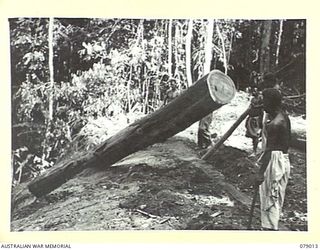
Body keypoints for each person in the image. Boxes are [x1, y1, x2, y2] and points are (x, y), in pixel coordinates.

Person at [255, 88, 291, 230]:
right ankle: (271, 226)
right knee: (276, 196)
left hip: (274, 161)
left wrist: (260, 173)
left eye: (264, 102)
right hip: (283, 159)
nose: (262, 105)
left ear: (271, 102)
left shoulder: (274, 124)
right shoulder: (284, 116)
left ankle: (269, 229)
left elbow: (269, 150)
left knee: (270, 197)